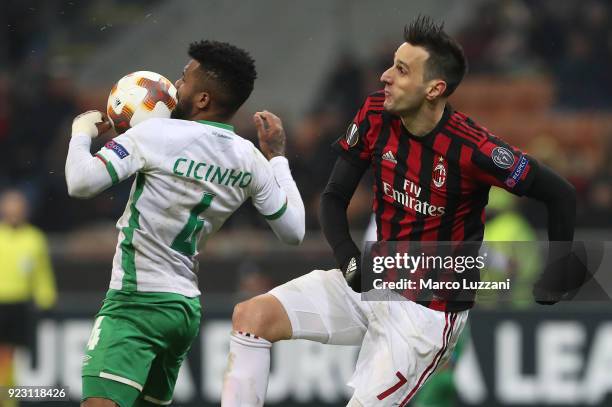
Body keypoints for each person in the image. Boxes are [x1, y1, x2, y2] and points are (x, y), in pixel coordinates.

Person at [221, 16, 576, 407]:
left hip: (425, 317)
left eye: (402, 70)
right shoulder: (376, 113)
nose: (386, 76)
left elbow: (560, 194)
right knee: (251, 317)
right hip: (374, 279)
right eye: (392, 63)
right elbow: (335, 197)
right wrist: (348, 259)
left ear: (434, 88)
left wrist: (556, 274)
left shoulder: (474, 149)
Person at [65, 40, 305, 407]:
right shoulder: (251, 159)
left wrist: (81, 132)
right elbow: (294, 232)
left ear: (204, 99)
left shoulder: (154, 134)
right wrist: (278, 159)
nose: (175, 86)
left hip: (136, 301)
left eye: (184, 78)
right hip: (183, 310)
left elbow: (81, 183)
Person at [0, 189, 57, 407]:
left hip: (19, 304)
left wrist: (46, 298)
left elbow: (42, 273)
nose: (14, 212)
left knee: (12, 355)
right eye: (10, 207)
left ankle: (8, 400)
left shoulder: (34, 238)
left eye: (18, 208)